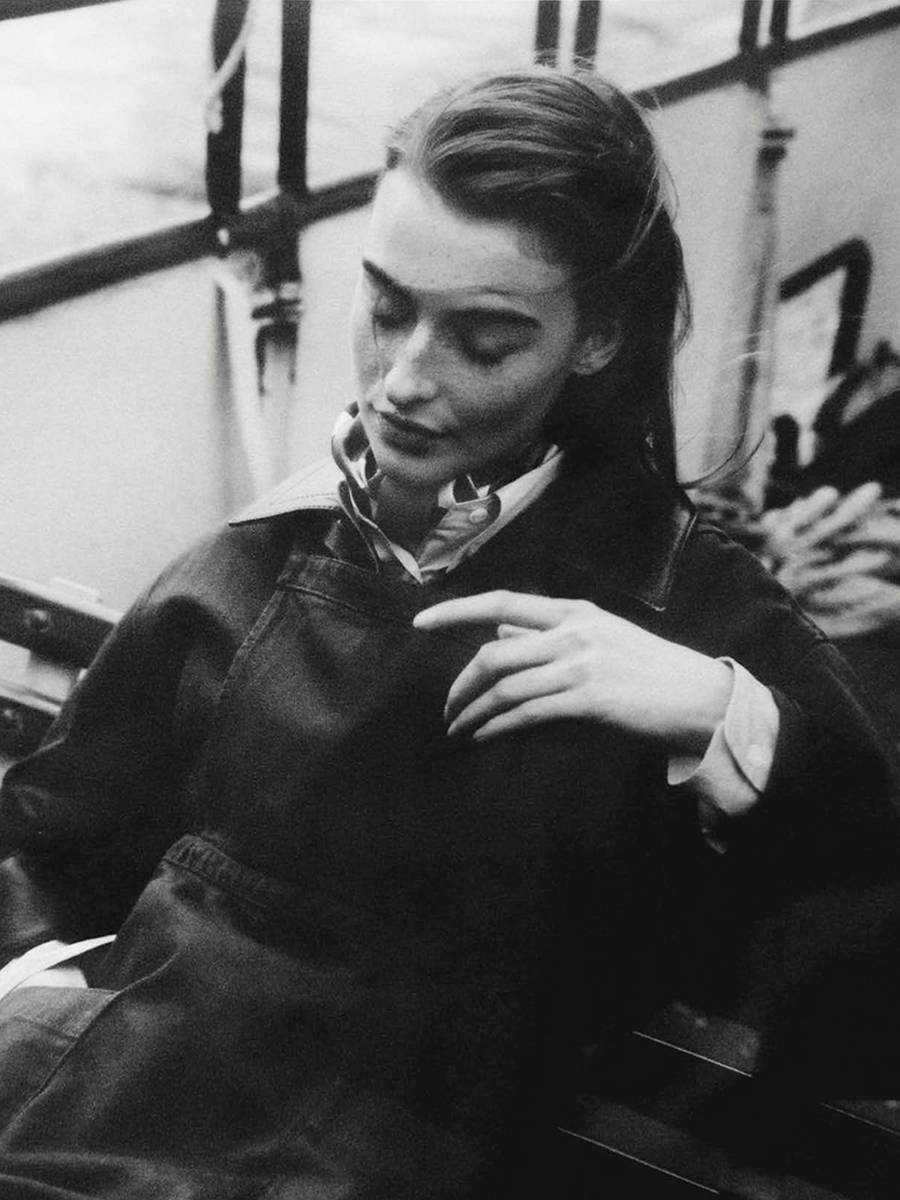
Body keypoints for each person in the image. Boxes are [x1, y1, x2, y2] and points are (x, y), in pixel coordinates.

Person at [0, 67, 898, 1199]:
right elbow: (56, 840)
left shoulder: (698, 615)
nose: (404, 383)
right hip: (96, 1108)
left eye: (484, 339)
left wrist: (727, 720)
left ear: (598, 336)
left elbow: (860, 991)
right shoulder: (261, 557)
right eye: (386, 308)